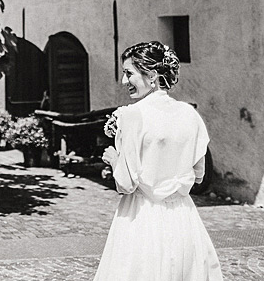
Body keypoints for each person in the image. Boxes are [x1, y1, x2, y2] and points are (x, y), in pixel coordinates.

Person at [94, 41, 223, 281]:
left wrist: (114, 159)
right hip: (182, 217)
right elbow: (199, 174)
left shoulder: (132, 115)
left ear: (151, 75)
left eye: (128, 73)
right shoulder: (189, 114)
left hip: (141, 216)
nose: (124, 81)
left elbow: (126, 184)